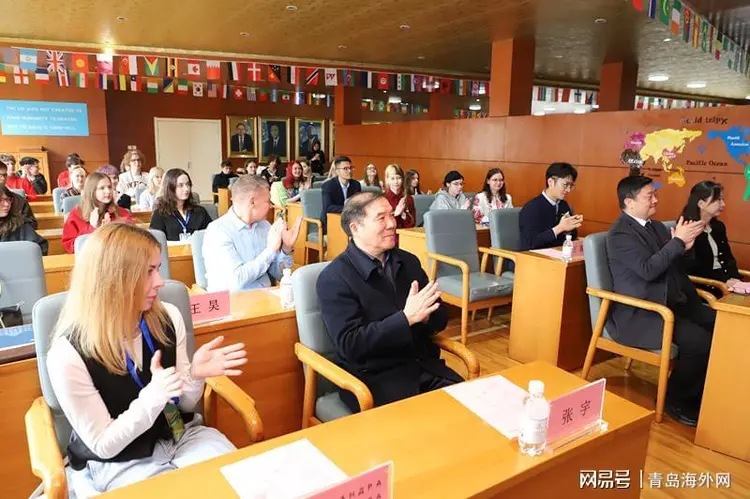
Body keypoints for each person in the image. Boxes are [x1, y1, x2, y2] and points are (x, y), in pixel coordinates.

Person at [47, 223, 246, 496]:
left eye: (158, 268)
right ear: (113, 279)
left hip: (178, 434)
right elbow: (103, 444)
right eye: (148, 271)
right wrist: (152, 396)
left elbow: (184, 404)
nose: (161, 281)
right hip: (119, 459)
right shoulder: (67, 355)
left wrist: (194, 376)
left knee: (239, 485)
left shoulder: (168, 317)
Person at [317, 192, 462, 412]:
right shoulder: (334, 278)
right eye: (381, 218)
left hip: (424, 368)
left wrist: (424, 317)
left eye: (392, 215)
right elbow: (351, 344)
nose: (392, 223)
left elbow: (440, 317)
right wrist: (406, 318)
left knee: (476, 412)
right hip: (375, 382)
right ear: (355, 228)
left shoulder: (408, 261)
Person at [607, 175, 713, 427]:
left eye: (654, 194)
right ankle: (673, 399)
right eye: (649, 196)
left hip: (673, 301)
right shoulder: (619, 234)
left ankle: (700, 391)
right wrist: (677, 242)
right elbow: (647, 270)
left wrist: (685, 247)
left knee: (722, 324)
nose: (655, 200)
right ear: (629, 202)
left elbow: (671, 263)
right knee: (701, 342)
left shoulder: (655, 226)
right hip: (644, 311)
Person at [202, 175, 301, 292]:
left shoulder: (264, 226)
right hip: (231, 300)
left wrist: (286, 248)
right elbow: (237, 280)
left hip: (264, 296)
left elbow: (278, 274)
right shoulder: (218, 231)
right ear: (252, 201)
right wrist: (270, 250)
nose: (271, 206)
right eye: (268, 201)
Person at [681, 180, 742, 293]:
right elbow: (694, 269)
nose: (723, 204)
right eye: (718, 200)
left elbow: (729, 259)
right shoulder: (687, 229)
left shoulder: (718, 227)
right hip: (706, 287)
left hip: (725, 283)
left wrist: (735, 279)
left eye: (722, 199)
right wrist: (724, 281)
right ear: (701, 204)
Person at [62, 173, 135, 253]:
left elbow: (134, 241)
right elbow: (70, 246)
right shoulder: (77, 214)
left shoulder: (122, 213)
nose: (108, 191)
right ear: (92, 191)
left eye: (109, 187)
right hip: (89, 258)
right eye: (102, 188)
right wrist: (92, 228)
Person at [519, 162, 582, 250]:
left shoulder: (563, 205)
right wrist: (559, 228)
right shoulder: (531, 208)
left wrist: (571, 226)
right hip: (536, 256)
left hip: (558, 253)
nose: (568, 190)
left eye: (570, 186)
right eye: (565, 185)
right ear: (550, 182)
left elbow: (572, 236)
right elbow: (529, 243)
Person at [150, 169, 211, 242]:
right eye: (180, 185)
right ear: (170, 187)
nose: (186, 189)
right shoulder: (160, 213)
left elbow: (212, 234)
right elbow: (155, 242)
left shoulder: (200, 211)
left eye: (188, 184)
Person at [0, 185, 47, 254]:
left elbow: (41, 247)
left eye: (8, 199)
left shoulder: (19, 224)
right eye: (0, 200)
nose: (7, 204)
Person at [321, 156, 362, 233]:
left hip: (350, 221)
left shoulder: (356, 184)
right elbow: (328, 207)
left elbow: (358, 204)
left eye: (351, 168)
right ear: (337, 171)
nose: (349, 171)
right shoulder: (328, 185)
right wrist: (348, 208)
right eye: (345, 169)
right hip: (331, 221)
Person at [0, 162, 37, 228]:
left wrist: (9, 224)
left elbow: (32, 224)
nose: (3, 178)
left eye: (5, 175)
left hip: (12, 233)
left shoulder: (19, 200)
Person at [384, 164, 415, 237]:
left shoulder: (408, 198)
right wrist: (396, 214)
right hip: (389, 236)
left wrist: (404, 216)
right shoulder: (383, 199)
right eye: (392, 178)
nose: (396, 182)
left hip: (406, 236)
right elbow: (382, 225)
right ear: (387, 180)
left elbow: (412, 223)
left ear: (403, 179)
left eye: (398, 178)